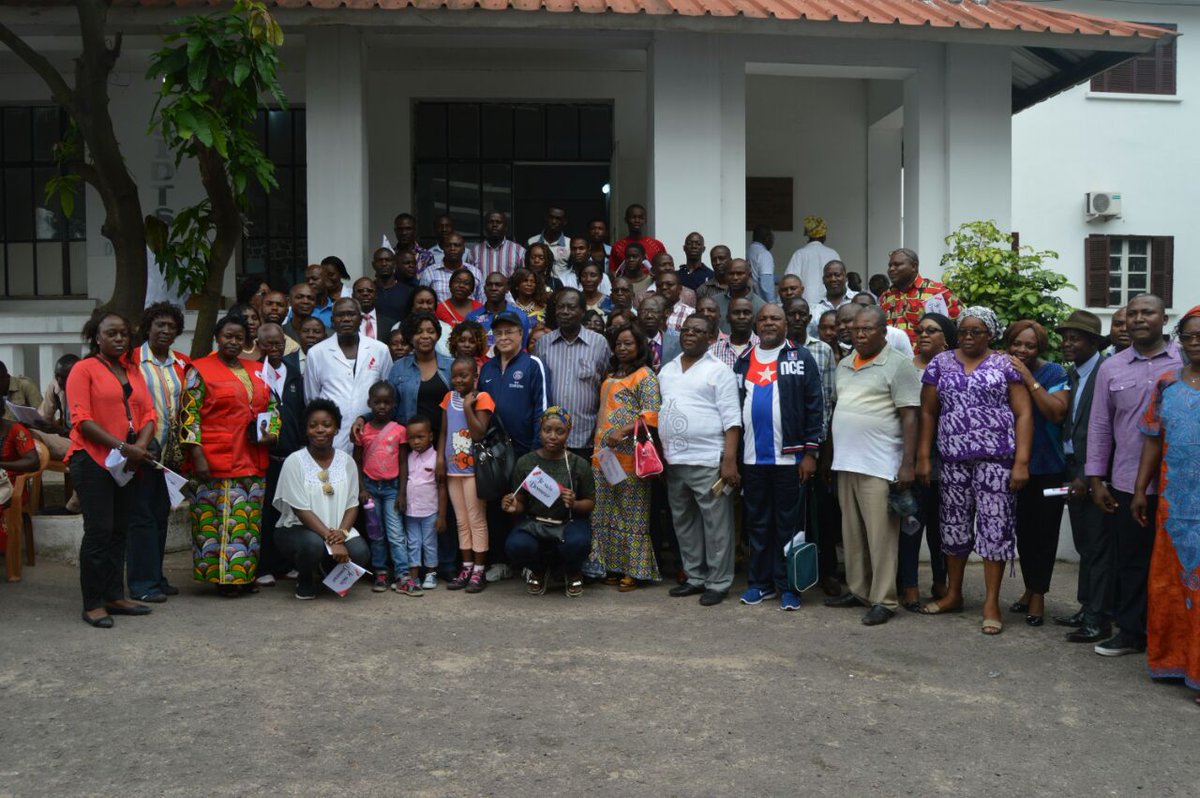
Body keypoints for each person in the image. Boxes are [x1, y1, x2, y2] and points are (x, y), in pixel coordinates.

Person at [917, 307, 1032, 635]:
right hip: (952, 461)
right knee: (953, 529)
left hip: (996, 462)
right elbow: (927, 412)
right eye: (963, 331)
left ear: (990, 334)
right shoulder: (941, 364)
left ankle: (991, 603)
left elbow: (1024, 414)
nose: (968, 337)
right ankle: (954, 593)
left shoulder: (1004, 364)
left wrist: (1021, 462)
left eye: (976, 331)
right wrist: (924, 457)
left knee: (995, 530)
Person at [1086, 293, 1181, 657]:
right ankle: (1130, 631)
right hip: (1128, 482)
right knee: (1130, 561)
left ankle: (1170, 635)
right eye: (1132, 314)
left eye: (1148, 313)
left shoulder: (1185, 361)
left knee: (1176, 563)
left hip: (1180, 482)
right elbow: (1099, 425)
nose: (1139, 319)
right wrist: (1096, 478)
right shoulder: (1112, 367)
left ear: (1163, 318)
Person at [824, 306, 921, 625]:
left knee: (881, 537)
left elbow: (910, 416)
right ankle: (860, 589)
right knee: (852, 534)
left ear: (883, 331)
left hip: (880, 465)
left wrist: (908, 465)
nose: (860, 334)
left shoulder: (898, 365)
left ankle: (884, 599)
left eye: (867, 329)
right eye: (856, 329)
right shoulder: (845, 364)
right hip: (847, 463)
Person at [67, 310, 158, 628]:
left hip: (128, 462)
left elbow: (149, 414)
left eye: (123, 334)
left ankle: (114, 595)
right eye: (111, 334)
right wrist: (123, 447)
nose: (119, 339)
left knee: (121, 529)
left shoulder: (133, 371)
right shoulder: (83, 369)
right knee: (99, 531)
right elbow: (82, 420)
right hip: (93, 460)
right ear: (97, 337)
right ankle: (92, 603)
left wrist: (140, 448)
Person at [1131, 306, 1200, 704]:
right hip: (1175, 506)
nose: (1194, 344)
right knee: (1172, 586)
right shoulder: (1167, 384)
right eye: (1188, 336)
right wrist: (1141, 490)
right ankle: (1174, 660)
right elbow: (1153, 440)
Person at [181, 315, 278, 597]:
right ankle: (223, 580)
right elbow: (189, 417)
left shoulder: (258, 369)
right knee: (218, 522)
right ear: (217, 338)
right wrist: (196, 454)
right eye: (228, 337)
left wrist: (272, 432)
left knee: (246, 522)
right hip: (214, 457)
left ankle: (243, 576)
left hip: (252, 456)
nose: (233, 342)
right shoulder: (199, 370)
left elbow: (272, 407)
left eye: (239, 337)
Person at [734, 303, 824, 610]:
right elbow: (735, 408)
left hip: (791, 459)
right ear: (756, 325)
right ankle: (760, 584)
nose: (769, 323)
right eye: (764, 319)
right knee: (757, 524)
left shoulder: (800, 357)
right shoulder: (744, 360)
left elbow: (815, 406)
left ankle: (789, 586)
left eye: (775, 318)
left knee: (789, 526)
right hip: (752, 459)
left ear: (786, 324)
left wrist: (810, 453)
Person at [659, 314, 741, 606]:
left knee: (716, 524)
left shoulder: (720, 371)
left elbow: (733, 421)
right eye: (686, 329)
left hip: (709, 459)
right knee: (684, 522)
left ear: (711, 338)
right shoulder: (667, 370)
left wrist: (728, 460)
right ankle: (694, 577)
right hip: (675, 461)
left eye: (698, 331)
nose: (690, 334)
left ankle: (718, 582)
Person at [1004, 320, 1069, 626]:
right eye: (1017, 343)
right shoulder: (1000, 368)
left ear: (1039, 347)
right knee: (1023, 533)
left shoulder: (1054, 373)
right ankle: (1030, 589)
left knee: (1044, 533)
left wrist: (1028, 377)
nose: (1022, 350)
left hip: (1049, 469)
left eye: (1030, 345)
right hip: (1013, 467)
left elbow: (1056, 412)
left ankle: (1039, 596)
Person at [1052, 310, 1111, 642]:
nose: (1067, 343)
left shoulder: (1104, 372)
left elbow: (1103, 430)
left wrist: (1091, 476)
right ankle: (1086, 607)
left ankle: (1098, 619)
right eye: (1065, 337)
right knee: (1085, 545)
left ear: (1093, 342)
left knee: (1098, 547)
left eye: (1075, 338)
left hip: (1094, 470)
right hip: (1072, 465)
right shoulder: (1072, 374)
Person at [273, 399, 369, 600]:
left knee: (361, 552)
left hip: (337, 529)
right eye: (313, 425)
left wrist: (341, 533)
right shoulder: (294, 461)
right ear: (306, 430)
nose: (320, 430)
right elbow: (301, 510)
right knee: (312, 546)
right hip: (298, 529)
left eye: (327, 425)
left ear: (336, 429)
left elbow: (352, 505)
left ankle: (329, 572)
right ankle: (306, 578)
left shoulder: (347, 461)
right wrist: (332, 540)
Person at [589, 323, 661, 590]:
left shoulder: (645, 376)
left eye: (628, 343)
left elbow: (651, 415)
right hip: (603, 457)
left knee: (632, 515)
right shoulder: (611, 373)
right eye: (618, 343)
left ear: (639, 346)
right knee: (606, 513)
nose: (622, 348)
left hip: (631, 458)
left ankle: (635, 570)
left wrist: (624, 429)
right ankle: (612, 565)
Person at [126, 302, 189, 604]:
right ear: (148, 326)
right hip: (141, 451)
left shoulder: (182, 364)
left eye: (171, 326)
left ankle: (156, 577)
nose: (165, 330)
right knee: (141, 518)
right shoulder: (132, 361)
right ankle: (141, 583)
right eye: (159, 325)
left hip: (171, 456)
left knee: (160, 517)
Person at [479, 310, 549, 579]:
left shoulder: (532, 364)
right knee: (498, 506)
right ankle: (500, 561)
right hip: (495, 453)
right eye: (499, 333)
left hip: (525, 450)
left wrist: (536, 452)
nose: (504, 337)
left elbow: (541, 410)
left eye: (510, 332)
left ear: (522, 334)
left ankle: (531, 562)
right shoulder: (487, 368)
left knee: (527, 506)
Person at [503, 407, 596, 598]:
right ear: (540, 430)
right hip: (535, 522)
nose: (552, 436)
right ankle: (538, 569)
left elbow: (590, 502)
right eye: (547, 430)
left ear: (568, 433)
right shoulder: (526, 463)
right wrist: (513, 507)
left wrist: (575, 504)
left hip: (568, 523)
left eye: (559, 431)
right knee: (515, 545)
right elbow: (520, 502)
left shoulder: (579, 465)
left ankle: (571, 571)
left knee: (578, 542)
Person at [898, 313, 954, 610]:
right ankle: (909, 584)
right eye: (919, 330)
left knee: (941, 528)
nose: (923, 335)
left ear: (946, 337)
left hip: (948, 460)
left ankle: (940, 579)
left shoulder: (956, 367)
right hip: (911, 458)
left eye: (931, 330)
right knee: (910, 523)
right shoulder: (906, 368)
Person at [304, 297, 391, 453]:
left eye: (351, 314)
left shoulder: (380, 349)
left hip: (373, 436)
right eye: (340, 315)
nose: (346, 319)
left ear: (361, 318)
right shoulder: (316, 353)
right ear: (332, 320)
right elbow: (312, 399)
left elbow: (388, 393)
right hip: (333, 438)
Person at [438, 357, 494, 594]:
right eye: (455, 376)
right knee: (461, 521)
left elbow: (478, 433)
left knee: (476, 520)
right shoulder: (449, 398)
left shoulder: (483, 399)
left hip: (474, 472)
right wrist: (440, 458)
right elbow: (442, 432)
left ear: (475, 377)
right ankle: (466, 566)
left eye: (464, 376)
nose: (459, 380)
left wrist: (470, 407)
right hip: (452, 470)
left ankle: (479, 571)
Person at [255, 322, 306, 587]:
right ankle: (264, 566)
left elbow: (301, 411)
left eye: (278, 343)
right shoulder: (254, 373)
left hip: (291, 455)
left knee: (289, 514)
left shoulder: (295, 373)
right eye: (268, 344)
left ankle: (285, 565)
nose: (274, 348)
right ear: (258, 344)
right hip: (265, 457)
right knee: (266, 514)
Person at [533, 288, 610, 460]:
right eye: (560, 307)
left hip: (585, 437)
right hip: (550, 439)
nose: (565, 312)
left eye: (571, 307)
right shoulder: (543, 344)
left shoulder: (599, 343)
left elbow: (606, 385)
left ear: (582, 312)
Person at [355, 381, 408, 592]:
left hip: (392, 488)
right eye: (377, 402)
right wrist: (361, 489)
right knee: (375, 532)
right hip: (370, 488)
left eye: (387, 402)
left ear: (394, 404)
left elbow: (404, 463)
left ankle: (402, 573)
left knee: (395, 532)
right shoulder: (363, 431)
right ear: (369, 403)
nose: (382, 407)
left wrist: (402, 492)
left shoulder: (399, 431)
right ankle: (380, 572)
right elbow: (357, 462)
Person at [878, 248, 961, 346]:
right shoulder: (886, 296)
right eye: (890, 265)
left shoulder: (937, 292)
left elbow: (960, 324)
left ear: (914, 266)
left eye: (897, 265)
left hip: (927, 359)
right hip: (894, 359)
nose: (891, 269)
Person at [400, 414, 444, 593]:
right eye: (411, 438)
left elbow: (442, 488)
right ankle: (414, 576)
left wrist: (441, 515)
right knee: (412, 543)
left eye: (420, 437)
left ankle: (431, 573)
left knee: (429, 543)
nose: (416, 441)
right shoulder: (408, 457)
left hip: (430, 511)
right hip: (411, 511)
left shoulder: (436, 459)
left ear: (431, 436)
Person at [31, 354, 78, 467]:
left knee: (32, 441)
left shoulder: (89, 391)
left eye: (64, 377)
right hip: (65, 438)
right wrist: (30, 421)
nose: (59, 381)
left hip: (82, 444)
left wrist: (60, 430)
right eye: (57, 376)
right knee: (25, 434)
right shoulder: (55, 386)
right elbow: (43, 417)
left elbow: (89, 432)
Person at [466, 271, 530, 353]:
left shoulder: (521, 317)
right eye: (489, 285)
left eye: (498, 285)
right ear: (484, 289)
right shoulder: (472, 317)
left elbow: (523, 348)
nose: (493, 288)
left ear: (507, 289)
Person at [784, 216, 841, 306]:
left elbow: (789, 281)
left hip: (805, 305)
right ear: (824, 235)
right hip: (829, 305)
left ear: (807, 234)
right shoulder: (833, 253)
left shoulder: (799, 254)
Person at [420, 232, 483, 304]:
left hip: (469, 315)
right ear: (443, 248)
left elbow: (481, 302)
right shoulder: (429, 272)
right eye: (448, 245)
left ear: (464, 249)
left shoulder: (475, 273)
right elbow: (422, 301)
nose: (452, 248)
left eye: (457, 245)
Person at [609, 203, 665, 275]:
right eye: (633, 217)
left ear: (645, 220)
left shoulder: (657, 245)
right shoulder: (617, 247)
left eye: (640, 217)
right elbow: (613, 273)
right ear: (626, 220)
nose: (637, 220)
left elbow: (665, 269)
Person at [712, 259, 765, 335]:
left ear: (749, 276)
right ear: (725, 276)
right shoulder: (714, 302)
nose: (735, 278)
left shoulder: (761, 306)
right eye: (731, 274)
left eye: (740, 274)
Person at [372, 247, 417, 329]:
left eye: (387, 260)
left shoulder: (409, 292)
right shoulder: (368, 291)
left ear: (394, 264)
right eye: (380, 260)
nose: (384, 263)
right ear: (373, 265)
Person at [709, 297, 759, 369]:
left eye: (746, 313)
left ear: (753, 318)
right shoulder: (713, 350)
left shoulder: (764, 347)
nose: (741, 317)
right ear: (727, 318)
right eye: (736, 313)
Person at [812, 260, 859, 337]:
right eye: (828, 276)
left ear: (846, 278)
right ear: (823, 280)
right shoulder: (814, 308)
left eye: (837, 275)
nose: (833, 279)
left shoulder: (858, 299)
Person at [472, 211, 526, 276]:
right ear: (485, 227)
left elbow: (523, 278)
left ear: (506, 227)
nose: (494, 225)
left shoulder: (519, 251)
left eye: (498, 222)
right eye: (490, 222)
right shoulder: (475, 252)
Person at [636, 295, 681, 371]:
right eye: (644, 312)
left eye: (654, 311)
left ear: (662, 315)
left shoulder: (677, 343)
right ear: (637, 315)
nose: (649, 316)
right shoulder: (632, 343)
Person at [353, 276, 393, 342]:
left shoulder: (390, 324)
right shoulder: (348, 323)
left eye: (370, 291)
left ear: (376, 295)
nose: (365, 293)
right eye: (360, 291)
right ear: (353, 296)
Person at [746, 224, 777, 302]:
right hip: (762, 303)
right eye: (772, 238)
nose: (773, 241)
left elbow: (759, 275)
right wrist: (773, 304)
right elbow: (766, 283)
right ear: (767, 238)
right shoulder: (764, 254)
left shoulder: (749, 250)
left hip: (752, 300)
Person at [303, 263, 334, 329]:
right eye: (307, 280)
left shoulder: (336, 309)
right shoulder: (299, 309)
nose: (310, 282)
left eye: (315, 279)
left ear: (326, 281)